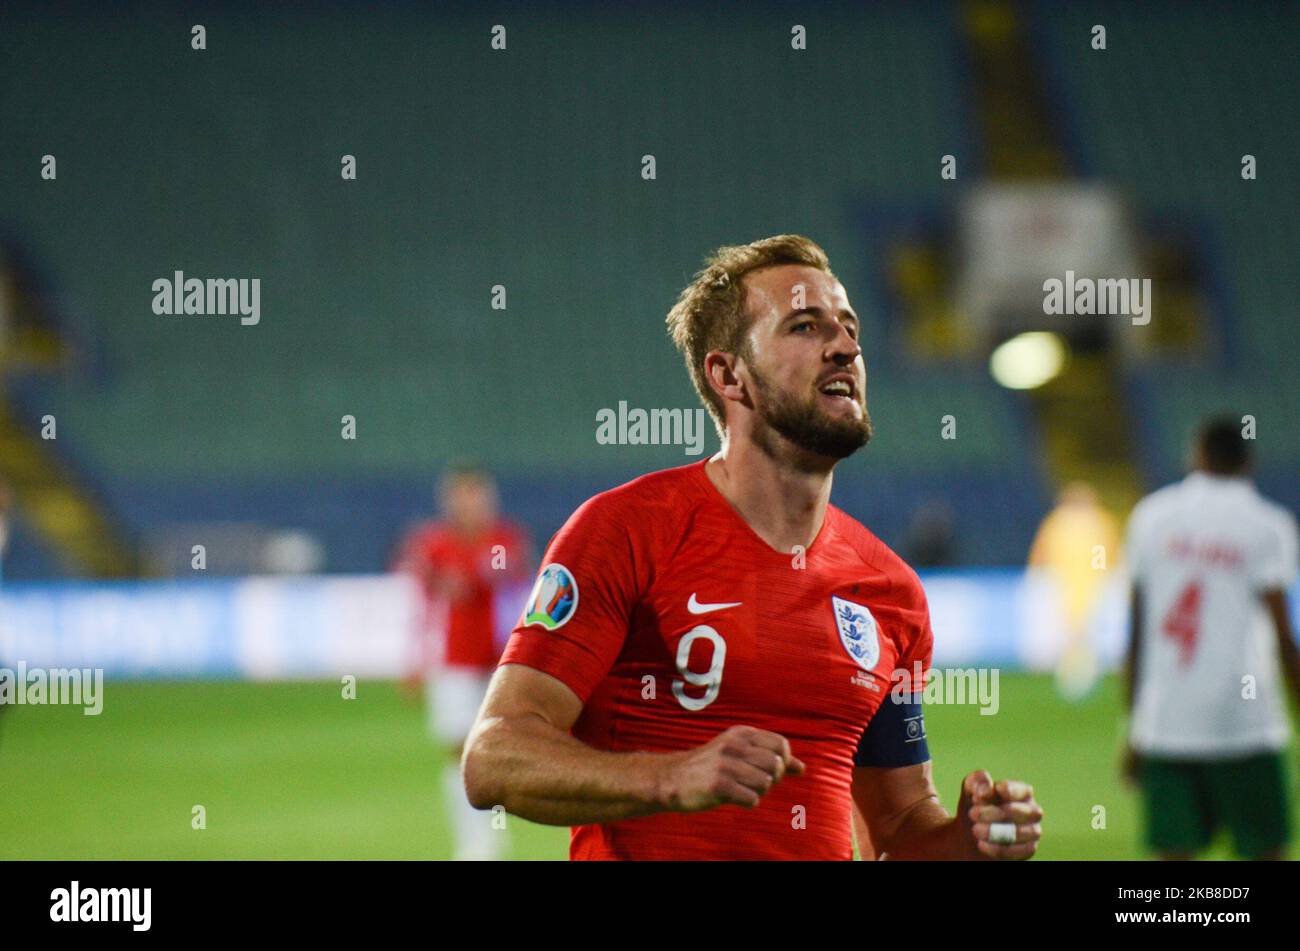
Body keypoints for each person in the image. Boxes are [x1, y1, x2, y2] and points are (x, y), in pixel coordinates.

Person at [462, 235, 1043, 860]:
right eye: (804, 327)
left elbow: (899, 828)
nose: (845, 346)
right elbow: (495, 756)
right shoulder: (626, 530)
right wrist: (669, 778)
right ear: (728, 375)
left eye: (849, 328)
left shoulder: (890, 590)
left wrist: (967, 840)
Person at [1122, 416, 1299, 860]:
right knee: (1265, 851)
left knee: (1174, 861)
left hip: (1167, 725)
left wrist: (1134, 728)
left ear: (1197, 454)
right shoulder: (1267, 526)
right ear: (1247, 461)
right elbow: (1283, 636)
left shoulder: (1150, 518)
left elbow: (1137, 636)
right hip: (1245, 724)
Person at [394, 465, 532, 860]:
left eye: (478, 496)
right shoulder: (433, 545)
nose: (471, 505)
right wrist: (414, 660)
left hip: (499, 662)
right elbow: (422, 607)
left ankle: (492, 836)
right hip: (452, 663)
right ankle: (475, 844)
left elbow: (520, 591)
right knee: (458, 749)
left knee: (498, 748)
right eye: (463, 497)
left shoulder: (506, 540)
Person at [1028, 481, 1122, 701]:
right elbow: (1108, 553)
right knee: (1081, 633)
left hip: (1068, 583)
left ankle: (1075, 677)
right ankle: (1080, 676)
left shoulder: (1060, 521)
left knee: (1076, 633)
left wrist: (1037, 576)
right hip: (1085, 583)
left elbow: (1041, 553)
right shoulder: (1099, 520)